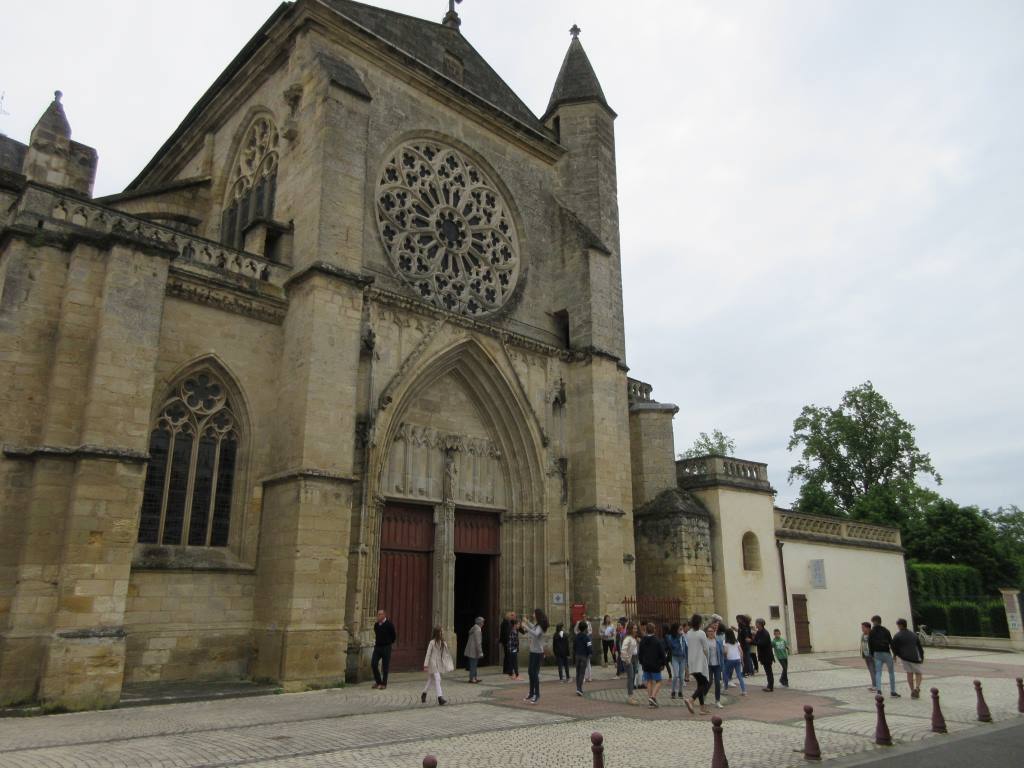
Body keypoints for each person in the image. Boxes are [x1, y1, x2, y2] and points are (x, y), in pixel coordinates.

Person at [684, 612, 711, 715]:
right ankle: (691, 699)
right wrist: (707, 660)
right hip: (700, 661)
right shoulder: (701, 633)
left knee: (700, 684)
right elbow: (706, 649)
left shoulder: (689, 633)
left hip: (691, 661)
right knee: (705, 683)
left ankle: (702, 708)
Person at [891, 618, 924, 698]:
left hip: (905, 658)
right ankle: (917, 687)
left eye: (898, 625)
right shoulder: (913, 634)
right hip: (915, 656)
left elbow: (893, 646)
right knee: (918, 673)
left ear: (900, 625)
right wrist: (922, 656)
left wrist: (896, 655)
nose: (897, 627)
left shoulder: (897, 635)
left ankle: (912, 691)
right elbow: (919, 646)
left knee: (909, 673)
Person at [421, 625, 454, 706]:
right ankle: (440, 698)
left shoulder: (443, 642)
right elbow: (428, 654)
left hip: (438, 663)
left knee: (431, 680)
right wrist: (425, 665)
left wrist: (448, 664)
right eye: (441, 631)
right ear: (437, 633)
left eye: (442, 631)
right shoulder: (432, 642)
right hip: (432, 663)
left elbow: (446, 654)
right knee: (438, 679)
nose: (442, 632)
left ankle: (424, 693)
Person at [522, 608, 549, 704]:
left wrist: (526, 626)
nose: (532, 614)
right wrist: (527, 622)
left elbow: (536, 633)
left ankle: (536, 695)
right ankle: (531, 692)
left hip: (538, 653)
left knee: (534, 673)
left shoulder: (541, 626)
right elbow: (534, 628)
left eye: (534, 613)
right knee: (530, 672)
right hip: (533, 651)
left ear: (537, 614)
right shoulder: (537, 625)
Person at [869, 615, 899, 697]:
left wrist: (872, 654)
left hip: (877, 653)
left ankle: (879, 690)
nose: (873, 623)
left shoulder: (871, 632)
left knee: (878, 672)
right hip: (886, 652)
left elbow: (870, 644)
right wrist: (894, 654)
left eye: (873, 622)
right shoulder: (886, 630)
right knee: (891, 672)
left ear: (875, 622)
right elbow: (891, 643)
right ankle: (893, 691)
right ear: (880, 621)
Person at [371, 609, 396, 690]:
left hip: (386, 647)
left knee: (385, 666)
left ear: (384, 615)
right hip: (378, 647)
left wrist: (389, 643)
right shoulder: (376, 625)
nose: (378, 616)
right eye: (378, 614)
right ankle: (378, 681)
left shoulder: (389, 625)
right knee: (373, 664)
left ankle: (384, 684)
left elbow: (393, 636)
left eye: (380, 614)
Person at [722, 627, 747, 695]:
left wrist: (724, 656)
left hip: (729, 660)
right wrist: (742, 661)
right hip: (737, 659)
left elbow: (725, 651)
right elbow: (741, 651)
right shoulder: (736, 641)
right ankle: (744, 690)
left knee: (725, 674)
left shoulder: (725, 641)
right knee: (739, 675)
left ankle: (726, 689)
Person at [620, 621, 639, 704]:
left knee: (633, 677)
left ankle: (631, 695)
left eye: (636, 628)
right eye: (634, 628)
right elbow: (623, 650)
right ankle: (630, 697)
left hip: (634, 658)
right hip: (628, 659)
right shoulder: (627, 638)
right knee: (630, 677)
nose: (636, 630)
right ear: (630, 629)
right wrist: (627, 660)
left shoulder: (633, 638)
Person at [706, 620, 724, 708]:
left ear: (714, 632)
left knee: (717, 683)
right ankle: (704, 695)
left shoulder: (718, 641)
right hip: (709, 665)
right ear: (707, 632)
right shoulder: (705, 641)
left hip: (717, 665)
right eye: (708, 631)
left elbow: (721, 652)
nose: (710, 633)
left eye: (711, 631)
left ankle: (717, 701)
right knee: (709, 682)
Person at [753, 618, 775, 691]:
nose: (755, 624)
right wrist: (751, 640)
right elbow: (755, 641)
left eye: (756, 623)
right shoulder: (759, 632)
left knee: (769, 671)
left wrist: (753, 641)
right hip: (763, 655)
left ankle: (770, 687)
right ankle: (769, 685)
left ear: (760, 624)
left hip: (767, 655)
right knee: (767, 671)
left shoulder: (765, 633)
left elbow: (762, 643)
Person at [574, 619, 593, 696]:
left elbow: (574, 646)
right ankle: (579, 689)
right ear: (586, 628)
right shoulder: (587, 637)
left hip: (577, 656)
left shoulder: (576, 637)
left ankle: (577, 688)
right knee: (582, 673)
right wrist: (590, 653)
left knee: (577, 672)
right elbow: (589, 647)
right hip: (584, 656)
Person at [668, 622, 687, 699]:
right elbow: (673, 646)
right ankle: (673, 691)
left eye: (681, 629)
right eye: (680, 629)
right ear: (676, 630)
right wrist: (678, 636)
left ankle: (680, 691)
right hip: (675, 657)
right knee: (675, 675)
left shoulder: (683, 637)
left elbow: (686, 647)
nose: (681, 630)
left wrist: (687, 658)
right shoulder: (671, 637)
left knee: (682, 677)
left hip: (683, 658)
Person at [464, 616, 484, 684]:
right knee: (473, 665)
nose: (483, 623)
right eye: (482, 622)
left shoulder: (474, 627)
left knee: (473, 664)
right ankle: (472, 679)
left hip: (471, 650)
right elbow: (478, 642)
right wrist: (480, 652)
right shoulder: (478, 629)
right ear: (480, 623)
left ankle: (474, 678)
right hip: (474, 650)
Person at [505, 612, 524, 680]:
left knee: (512, 662)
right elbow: (514, 642)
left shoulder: (513, 630)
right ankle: (517, 675)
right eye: (518, 624)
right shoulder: (513, 631)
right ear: (515, 625)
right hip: (512, 649)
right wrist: (516, 648)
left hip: (511, 649)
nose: (519, 626)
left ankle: (511, 674)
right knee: (515, 662)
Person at [860, 621, 876, 690]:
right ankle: (874, 684)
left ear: (868, 628)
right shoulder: (863, 635)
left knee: (873, 670)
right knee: (871, 670)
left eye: (863, 628)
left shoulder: (872, 634)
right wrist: (862, 654)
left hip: (872, 655)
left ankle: (875, 686)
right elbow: (862, 645)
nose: (862, 629)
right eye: (862, 628)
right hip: (866, 655)